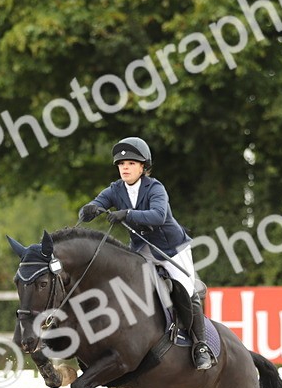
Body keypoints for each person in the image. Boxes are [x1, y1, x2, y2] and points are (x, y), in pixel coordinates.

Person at [78, 137, 212, 370]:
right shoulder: (115, 189)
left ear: (143, 167)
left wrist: (126, 214)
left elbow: (158, 215)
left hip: (171, 248)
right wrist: (88, 209)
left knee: (185, 288)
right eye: (121, 164)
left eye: (130, 163)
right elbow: (93, 205)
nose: (125, 168)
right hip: (142, 249)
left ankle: (201, 346)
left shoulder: (155, 188)